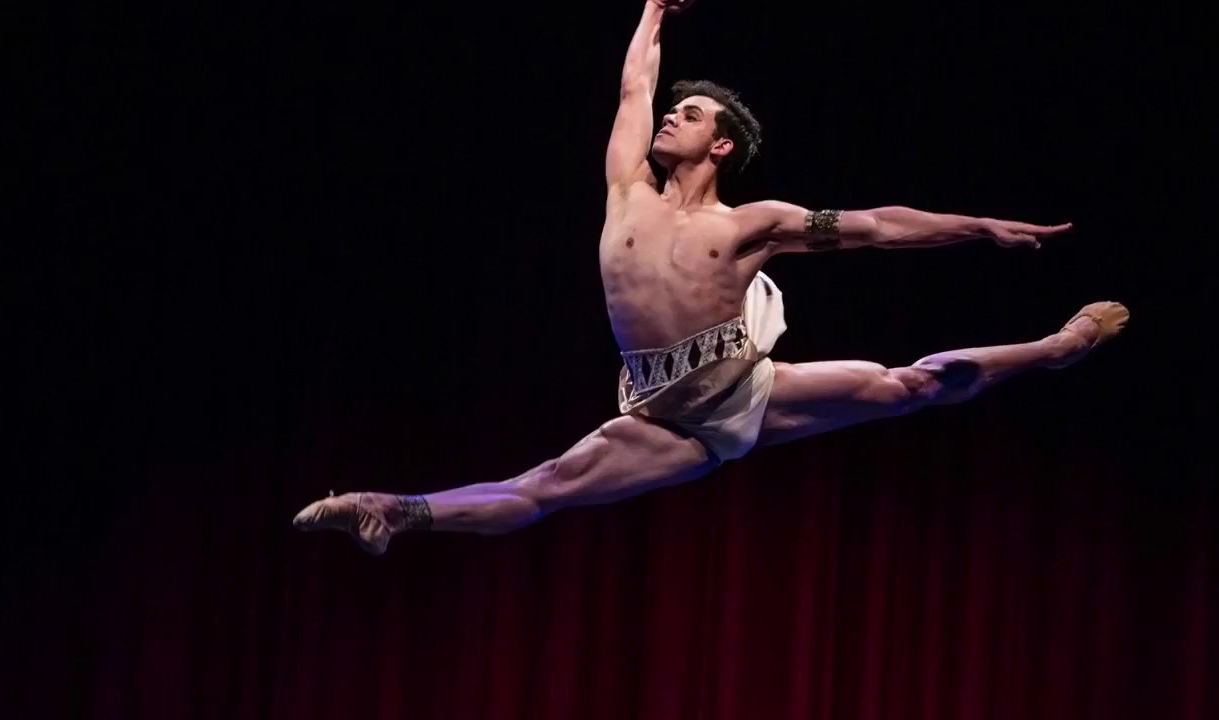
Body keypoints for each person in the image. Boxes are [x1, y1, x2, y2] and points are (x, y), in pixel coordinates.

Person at [292, 0, 1128, 555]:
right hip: (665, 420)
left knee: (910, 385)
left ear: (721, 146)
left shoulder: (749, 226)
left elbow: (876, 227)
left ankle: (1058, 347)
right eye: (675, 109)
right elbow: (635, 84)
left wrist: (979, 227)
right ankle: (394, 508)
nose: (671, 115)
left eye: (690, 114)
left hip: (745, 393)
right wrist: (654, 10)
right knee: (542, 488)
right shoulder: (627, 191)